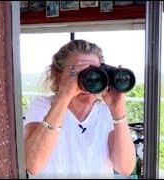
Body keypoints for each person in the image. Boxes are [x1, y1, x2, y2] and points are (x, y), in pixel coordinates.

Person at [23, 40, 136, 178]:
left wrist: (118, 110)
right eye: (80, 74)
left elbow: (125, 168)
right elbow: (32, 165)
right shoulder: (42, 107)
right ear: (59, 78)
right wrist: (64, 96)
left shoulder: (105, 112)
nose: (90, 82)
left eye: (96, 75)